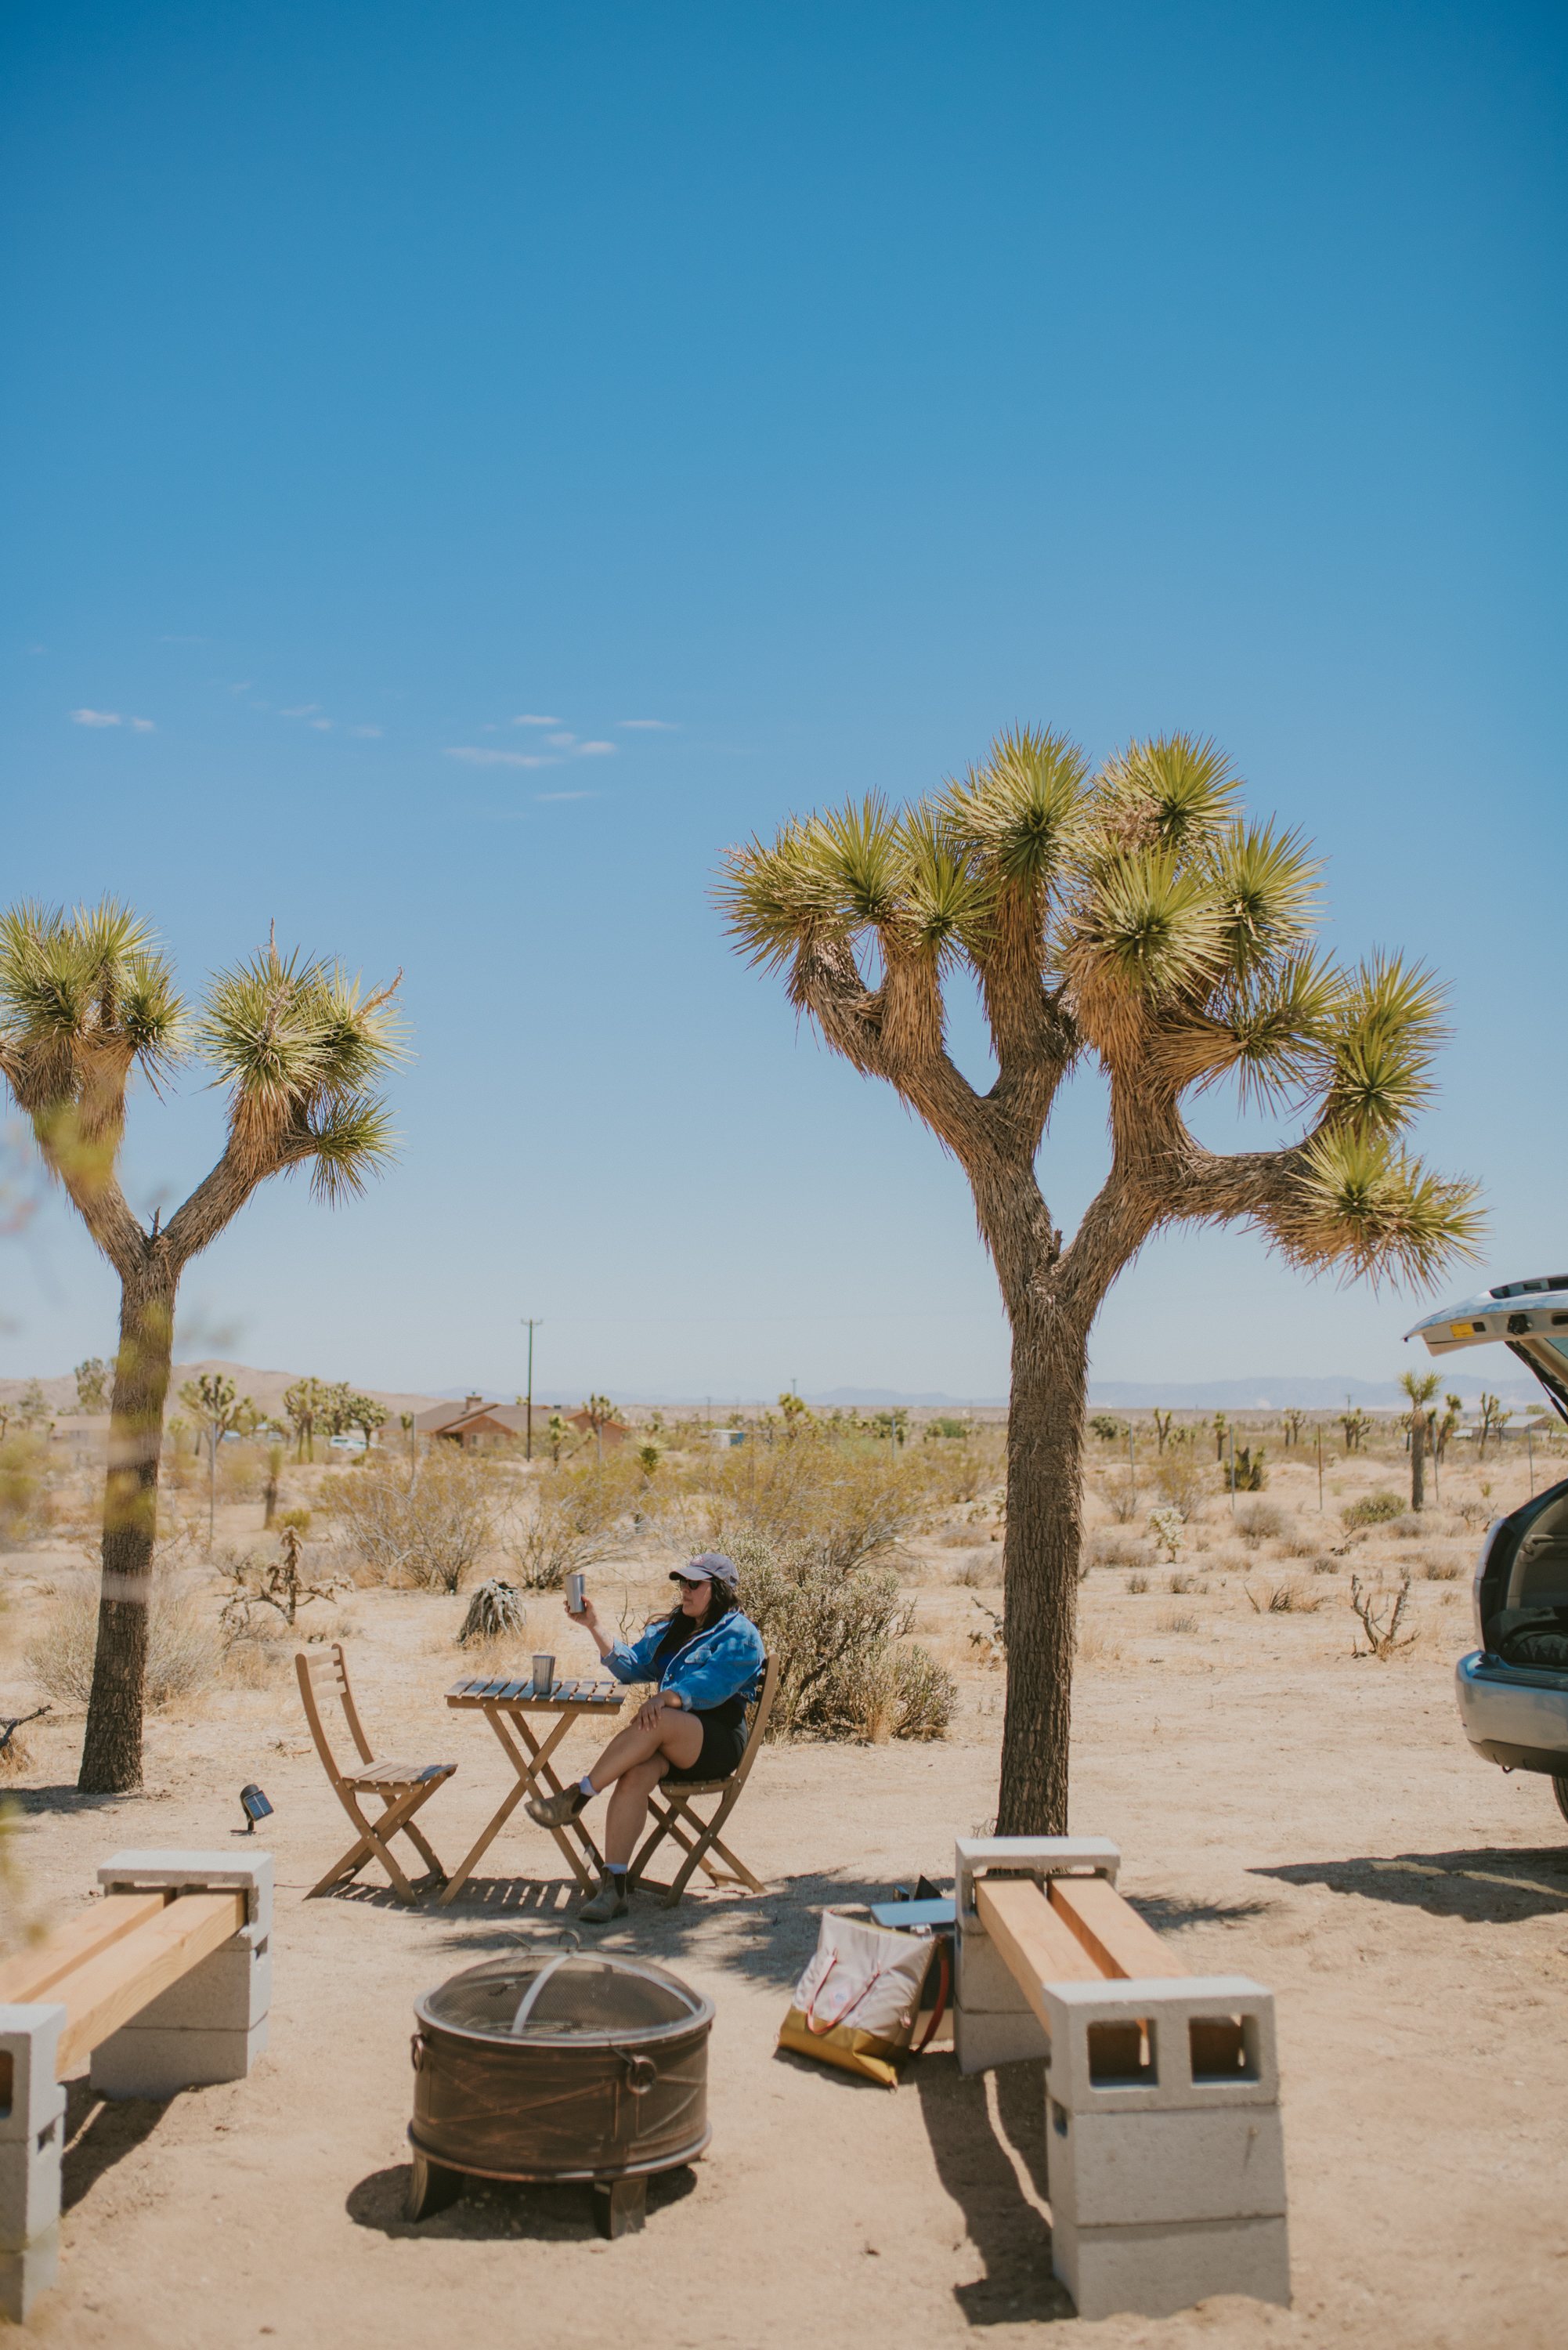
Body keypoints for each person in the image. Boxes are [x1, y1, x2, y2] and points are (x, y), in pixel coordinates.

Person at [525, 1552, 765, 1923]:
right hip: (670, 1740)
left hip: (716, 1741)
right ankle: (614, 1888)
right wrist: (594, 1625)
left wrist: (666, 1697)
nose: (684, 1590)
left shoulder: (741, 1635)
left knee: (660, 1719)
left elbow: (712, 1687)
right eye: (682, 1582)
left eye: (694, 1584)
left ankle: (579, 1796)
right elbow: (630, 1667)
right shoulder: (677, 1629)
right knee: (635, 1774)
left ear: (716, 1591)